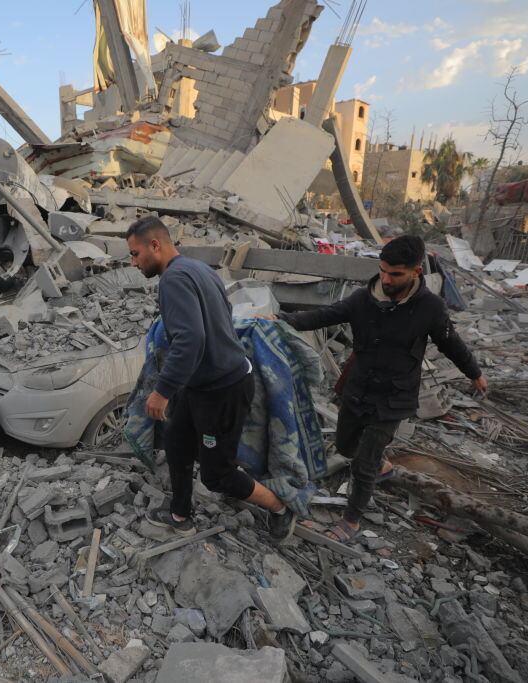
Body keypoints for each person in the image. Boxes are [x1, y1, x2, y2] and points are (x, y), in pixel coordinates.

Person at [279, 235, 487, 543]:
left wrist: (474, 373)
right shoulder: (363, 298)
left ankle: (351, 520)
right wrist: (282, 319)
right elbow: (325, 315)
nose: (386, 279)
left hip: (394, 396)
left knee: (363, 464)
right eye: (383, 271)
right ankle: (382, 464)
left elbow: (450, 343)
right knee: (347, 446)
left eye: (396, 274)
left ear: (416, 271)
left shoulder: (430, 308)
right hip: (358, 387)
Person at [126, 215, 297, 543]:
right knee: (177, 443)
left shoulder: (173, 281)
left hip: (222, 391)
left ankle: (280, 507)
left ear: (155, 245)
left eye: (135, 254)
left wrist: (161, 392)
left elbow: (191, 339)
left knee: (217, 475)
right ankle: (180, 515)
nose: (133, 262)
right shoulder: (199, 268)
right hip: (199, 384)